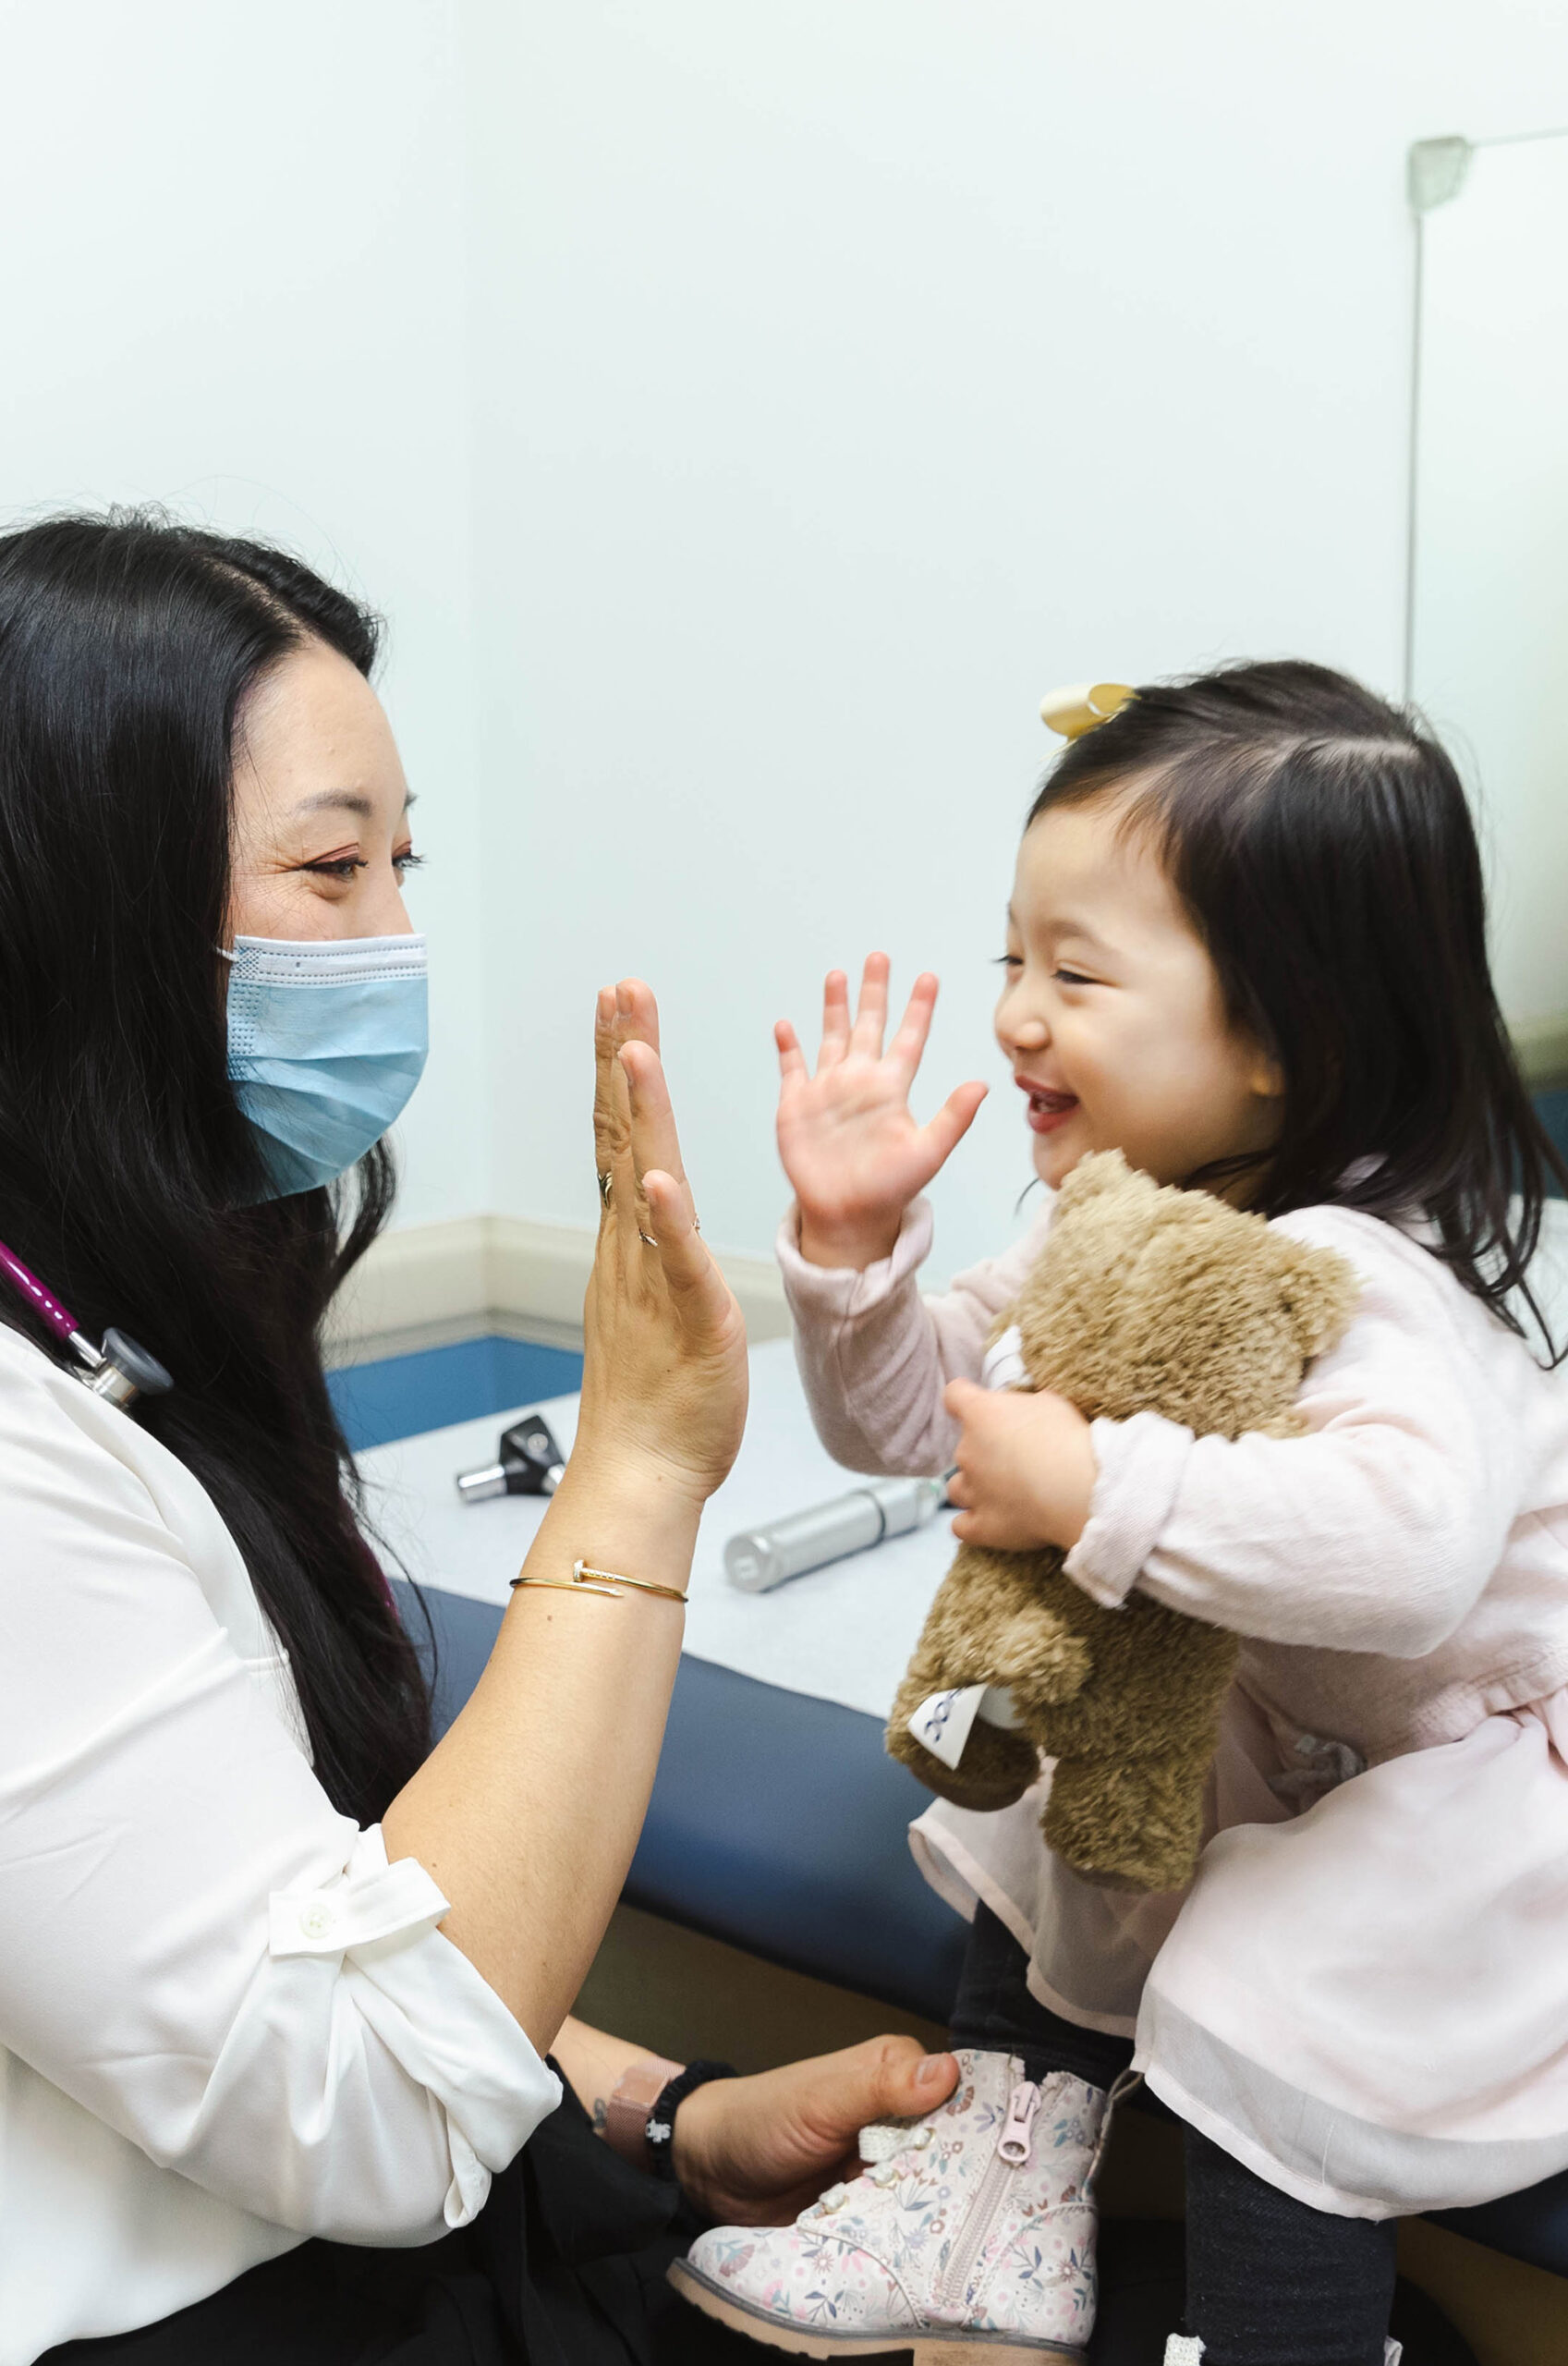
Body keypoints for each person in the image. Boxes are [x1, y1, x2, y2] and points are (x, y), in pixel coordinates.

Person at [0, 512, 963, 2366]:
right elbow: (374, 2108)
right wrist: (637, 1468)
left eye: (401, 864)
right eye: (331, 867)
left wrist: (663, 2107)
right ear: (62, 899)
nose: (394, 943)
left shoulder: (88, 1302)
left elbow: (261, 1894)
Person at [671, 663, 1568, 2366]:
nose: (1015, 1013)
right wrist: (856, 1261)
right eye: (1015, 955)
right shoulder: (1118, 1205)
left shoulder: (1375, 1271)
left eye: (1074, 974)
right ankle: (998, 2220)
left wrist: (1094, 1485)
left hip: (1480, 1780)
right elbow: (904, 1425)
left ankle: (1281, 2343)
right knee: (1045, 1805)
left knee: (1263, 2011)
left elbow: (1405, 1551)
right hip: (1296, 1713)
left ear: (1288, 1035)